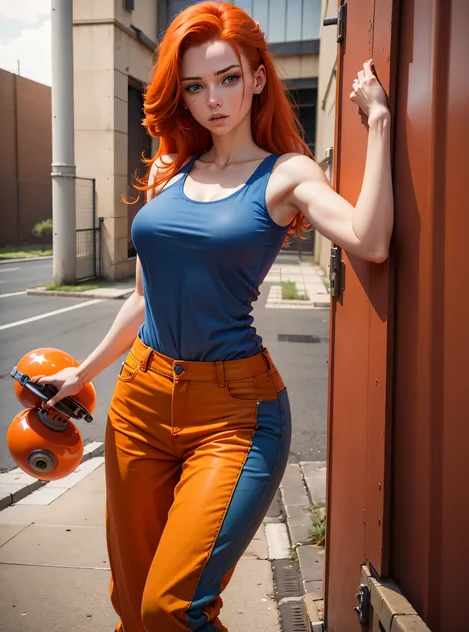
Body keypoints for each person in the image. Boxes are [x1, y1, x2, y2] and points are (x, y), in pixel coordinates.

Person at [31, 2, 393, 630]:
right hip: (139, 402)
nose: (213, 99)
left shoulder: (287, 174)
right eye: (196, 86)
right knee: (132, 604)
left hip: (235, 414)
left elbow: (371, 238)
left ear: (258, 78)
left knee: (172, 608)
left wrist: (381, 122)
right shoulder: (170, 170)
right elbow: (143, 298)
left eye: (228, 78)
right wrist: (81, 374)